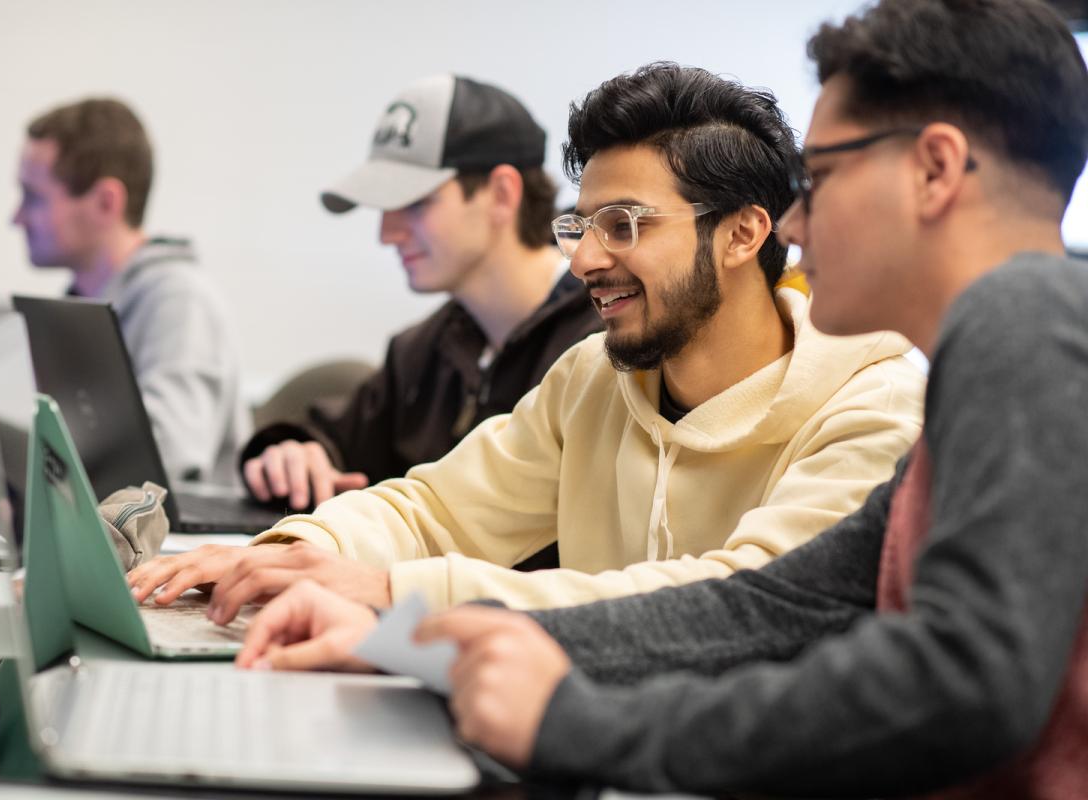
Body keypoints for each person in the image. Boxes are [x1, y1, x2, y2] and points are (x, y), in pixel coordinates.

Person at [234, 1, 1088, 795]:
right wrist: (418, 646)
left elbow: (968, 680)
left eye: (820, 178)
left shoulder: (1021, 315)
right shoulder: (998, 366)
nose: (795, 224)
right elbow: (769, 606)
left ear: (936, 169)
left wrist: (581, 724)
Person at [129, 65, 926, 614]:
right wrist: (283, 551)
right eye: (582, 225)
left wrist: (395, 594)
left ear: (745, 232)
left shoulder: (871, 402)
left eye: (624, 226)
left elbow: (731, 602)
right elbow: (434, 510)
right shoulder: (594, 379)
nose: (581, 259)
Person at [239, 74, 602, 526]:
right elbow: (336, 441)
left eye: (413, 203)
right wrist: (294, 452)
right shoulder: (421, 350)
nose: (386, 233)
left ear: (502, 194)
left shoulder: (605, 343)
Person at [13, 98, 248, 485]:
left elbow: (167, 455)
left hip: (175, 540)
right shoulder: (79, 302)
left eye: (33, 196)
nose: (17, 218)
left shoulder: (180, 299)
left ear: (106, 202)